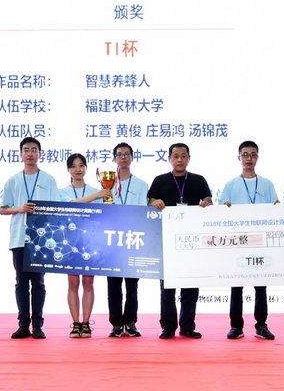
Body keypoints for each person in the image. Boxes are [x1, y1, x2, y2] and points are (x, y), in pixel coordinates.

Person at [148, 142, 213, 339]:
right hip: (166, 242)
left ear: (189, 158)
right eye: (175, 156)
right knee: (167, 288)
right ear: (169, 159)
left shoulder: (198, 180)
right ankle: (168, 327)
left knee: (190, 286)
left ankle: (187, 326)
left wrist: (207, 203)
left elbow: (208, 200)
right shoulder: (160, 180)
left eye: (183, 156)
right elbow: (149, 202)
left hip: (192, 242)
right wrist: (154, 202)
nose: (179, 160)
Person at [0, 137, 60, 339]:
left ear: (39, 154)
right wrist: (20, 209)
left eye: (34, 150)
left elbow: (56, 209)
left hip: (41, 240)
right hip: (18, 238)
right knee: (21, 282)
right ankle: (23, 324)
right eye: (26, 150)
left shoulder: (48, 180)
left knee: (39, 283)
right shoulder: (13, 180)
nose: (30, 153)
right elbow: (2, 209)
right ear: (21, 154)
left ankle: (38, 325)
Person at [219, 141, 278, 340]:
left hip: (261, 241)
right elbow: (220, 213)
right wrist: (225, 208)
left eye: (253, 155)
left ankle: (261, 325)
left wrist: (278, 207)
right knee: (236, 286)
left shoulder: (267, 184)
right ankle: (236, 326)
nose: (249, 158)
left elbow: (275, 209)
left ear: (257, 158)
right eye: (245, 155)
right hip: (237, 241)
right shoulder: (230, 185)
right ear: (239, 158)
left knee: (261, 286)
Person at [59, 153, 110, 338]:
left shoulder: (97, 190)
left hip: (90, 242)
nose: (78, 169)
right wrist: (97, 195)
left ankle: (86, 323)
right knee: (72, 282)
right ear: (68, 170)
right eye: (73, 166)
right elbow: (71, 205)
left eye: (81, 165)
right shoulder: (62, 192)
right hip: (70, 243)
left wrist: (103, 195)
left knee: (88, 282)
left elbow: (104, 215)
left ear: (86, 168)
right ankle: (75, 324)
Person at [107, 143, 149, 337]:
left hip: (133, 239)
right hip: (112, 241)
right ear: (114, 158)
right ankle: (116, 323)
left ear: (132, 158)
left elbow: (143, 212)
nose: (123, 157)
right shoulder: (106, 184)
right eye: (119, 154)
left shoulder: (141, 184)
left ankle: (130, 322)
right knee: (113, 285)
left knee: (132, 285)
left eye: (126, 154)